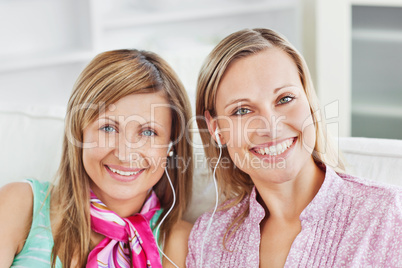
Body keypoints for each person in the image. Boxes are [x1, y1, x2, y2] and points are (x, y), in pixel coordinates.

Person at [187, 28, 402, 267]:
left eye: (285, 99)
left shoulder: (389, 214)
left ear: (309, 101)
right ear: (216, 129)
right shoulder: (208, 238)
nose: (271, 127)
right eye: (242, 111)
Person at [0, 49, 193, 267]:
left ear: (171, 145)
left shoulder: (181, 243)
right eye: (108, 128)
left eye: (148, 132)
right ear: (79, 133)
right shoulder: (20, 205)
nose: (125, 153)